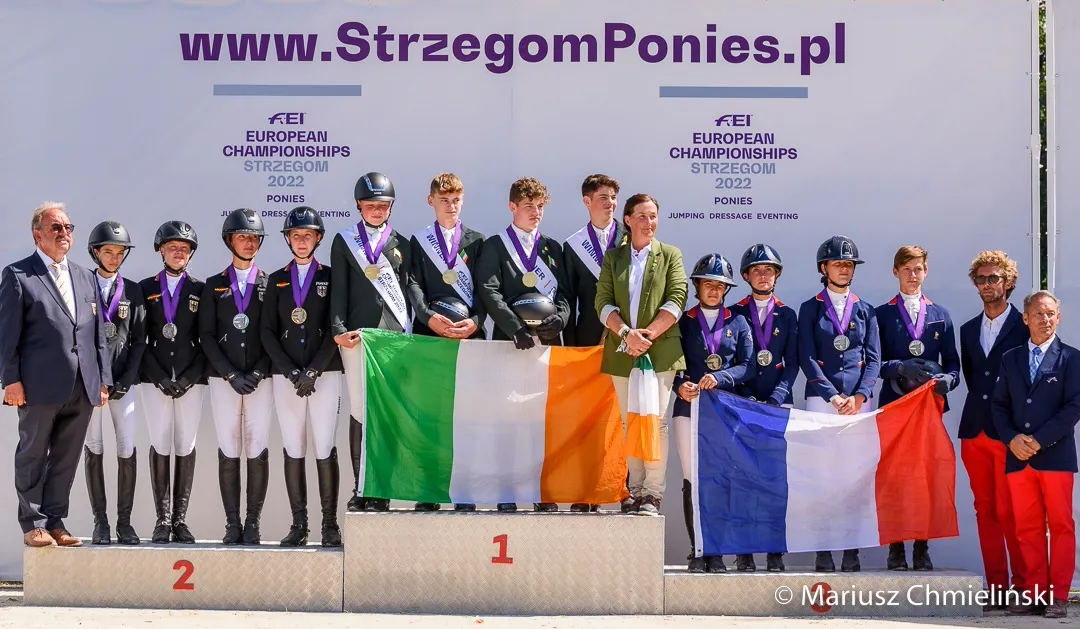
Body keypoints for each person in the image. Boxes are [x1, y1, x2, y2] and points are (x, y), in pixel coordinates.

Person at [0, 202, 110, 548]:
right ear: (38, 234)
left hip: (82, 385)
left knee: (66, 457)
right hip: (37, 386)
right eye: (56, 228)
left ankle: (55, 521)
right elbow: (7, 336)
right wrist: (10, 380)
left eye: (68, 228)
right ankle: (33, 523)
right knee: (32, 454)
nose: (64, 234)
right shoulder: (19, 275)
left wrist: (103, 380)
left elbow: (98, 335)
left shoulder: (85, 276)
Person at [475, 177, 570, 512]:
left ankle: (543, 491)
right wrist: (514, 328)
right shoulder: (495, 246)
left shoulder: (553, 248)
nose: (536, 213)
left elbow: (565, 296)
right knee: (509, 421)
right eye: (529, 206)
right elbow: (489, 290)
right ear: (512, 207)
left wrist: (560, 319)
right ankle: (507, 492)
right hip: (509, 345)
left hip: (546, 347)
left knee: (542, 421)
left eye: (541, 206)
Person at [595, 193, 687, 516]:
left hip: (659, 354)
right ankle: (634, 490)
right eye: (643, 216)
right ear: (628, 220)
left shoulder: (670, 255)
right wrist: (626, 334)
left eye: (654, 216)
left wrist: (647, 336)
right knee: (628, 423)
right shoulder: (613, 258)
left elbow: (677, 298)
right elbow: (602, 303)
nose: (650, 223)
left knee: (656, 422)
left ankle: (652, 493)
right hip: (623, 353)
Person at [991, 291, 1077, 619]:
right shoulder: (1010, 359)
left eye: (1051, 313)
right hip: (1018, 458)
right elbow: (998, 405)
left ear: (1059, 317)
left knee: (1060, 526)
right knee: (1026, 527)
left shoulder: (1072, 359)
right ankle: (1034, 593)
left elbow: (1074, 407)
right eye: (1038, 314)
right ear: (1025, 318)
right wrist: (1012, 439)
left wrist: (1038, 441)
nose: (1045, 319)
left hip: (1055, 458)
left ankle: (1058, 597)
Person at [797, 235, 881, 573]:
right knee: (822, 477)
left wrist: (859, 397)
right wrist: (833, 396)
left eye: (848, 265)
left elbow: (874, 360)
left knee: (855, 478)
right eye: (838, 264)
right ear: (824, 268)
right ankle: (823, 548)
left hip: (859, 407)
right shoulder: (810, 307)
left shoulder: (866, 310)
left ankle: (851, 548)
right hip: (822, 403)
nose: (844, 269)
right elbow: (806, 356)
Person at [331, 172, 413, 513]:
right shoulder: (344, 240)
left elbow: (409, 293)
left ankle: (385, 486)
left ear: (390, 207)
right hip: (358, 339)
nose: (377, 211)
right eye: (370, 205)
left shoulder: (402, 244)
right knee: (360, 412)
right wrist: (338, 328)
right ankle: (361, 486)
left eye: (382, 206)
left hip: (393, 339)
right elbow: (338, 291)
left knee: (388, 415)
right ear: (358, 206)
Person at [261, 207, 343, 547]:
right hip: (287, 377)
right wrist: (292, 372)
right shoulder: (277, 280)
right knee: (294, 447)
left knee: (324, 446)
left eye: (307, 234)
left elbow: (335, 326)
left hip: (324, 373)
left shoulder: (331, 276)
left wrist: (314, 370)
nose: (301, 240)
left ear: (318, 238)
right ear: (288, 239)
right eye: (295, 235)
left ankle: (329, 525)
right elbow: (267, 331)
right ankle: (299, 525)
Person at [875, 246, 960, 571]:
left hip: (927, 409)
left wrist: (948, 381)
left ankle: (922, 547)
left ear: (926, 272)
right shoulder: (881, 314)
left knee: (925, 477)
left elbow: (953, 363)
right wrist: (900, 368)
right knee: (894, 477)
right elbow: (874, 363)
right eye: (907, 269)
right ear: (895, 272)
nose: (913, 275)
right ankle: (896, 547)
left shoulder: (941, 314)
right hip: (895, 407)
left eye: (919, 269)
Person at [407, 173, 486, 512]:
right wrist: (429, 318)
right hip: (430, 338)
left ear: (463, 201)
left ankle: (465, 491)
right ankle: (430, 489)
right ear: (431, 201)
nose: (450, 206)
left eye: (456, 200)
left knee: (466, 416)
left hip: (468, 338)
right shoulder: (418, 240)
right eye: (444, 200)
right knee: (431, 415)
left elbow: (486, 290)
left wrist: (476, 321)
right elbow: (413, 286)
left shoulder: (477, 241)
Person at [673, 253, 753, 573]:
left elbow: (747, 366)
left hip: (723, 409)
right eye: (709, 284)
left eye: (720, 286)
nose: (714, 290)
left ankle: (717, 551)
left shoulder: (738, 321)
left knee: (721, 479)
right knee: (693, 479)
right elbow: (672, 364)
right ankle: (697, 549)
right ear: (697, 285)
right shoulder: (684, 321)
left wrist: (719, 378)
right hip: (688, 408)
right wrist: (680, 384)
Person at [959, 250, 1028, 608]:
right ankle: (997, 588)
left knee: (1012, 512)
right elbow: (975, 378)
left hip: (1010, 434)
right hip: (974, 432)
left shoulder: (1025, 325)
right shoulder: (968, 329)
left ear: (1008, 282)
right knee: (984, 511)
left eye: (994, 278)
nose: (988, 284)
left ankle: (1023, 587)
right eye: (982, 279)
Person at [200, 208, 273, 544]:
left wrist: (258, 371)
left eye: (254, 237)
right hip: (223, 380)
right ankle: (232, 524)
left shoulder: (271, 283)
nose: (248, 242)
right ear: (230, 240)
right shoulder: (214, 285)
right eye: (242, 237)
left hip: (261, 378)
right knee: (229, 447)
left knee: (257, 447)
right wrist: (230, 375)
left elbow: (274, 332)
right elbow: (207, 336)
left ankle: (253, 522)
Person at [729, 243, 798, 573]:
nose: (763, 275)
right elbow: (732, 361)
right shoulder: (734, 312)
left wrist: (776, 398)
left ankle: (774, 550)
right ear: (746, 275)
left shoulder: (788, 314)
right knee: (743, 479)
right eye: (756, 270)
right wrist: (743, 395)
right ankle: (744, 550)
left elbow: (793, 363)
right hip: (741, 405)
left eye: (768, 269)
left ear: (777, 275)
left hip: (776, 405)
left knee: (774, 481)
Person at [563, 174, 627, 513]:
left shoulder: (633, 241)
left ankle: (623, 489)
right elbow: (568, 300)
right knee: (587, 420)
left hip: (627, 344)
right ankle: (585, 490)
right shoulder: (573, 245)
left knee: (625, 418)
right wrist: (572, 347)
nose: (610, 202)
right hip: (587, 344)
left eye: (614, 197)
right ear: (587, 201)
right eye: (603, 197)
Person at [139, 220, 206, 544]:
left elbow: (205, 338)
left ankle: (180, 520)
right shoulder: (145, 288)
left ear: (191, 254)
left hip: (191, 381)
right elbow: (140, 340)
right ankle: (162, 520)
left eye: (184, 248)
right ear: (161, 250)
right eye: (173, 247)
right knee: (160, 443)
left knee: (186, 444)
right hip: (156, 381)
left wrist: (190, 378)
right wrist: (160, 378)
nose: (178, 253)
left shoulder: (200, 289)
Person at [84, 221, 146, 545]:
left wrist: (125, 379)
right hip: (92, 387)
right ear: (96, 252)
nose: (113, 256)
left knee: (127, 448)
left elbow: (139, 342)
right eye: (108, 251)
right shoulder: (82, 285)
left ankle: (125, 523)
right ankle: (100, 522)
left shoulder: (132, 290)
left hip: (123, 384)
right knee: (94, 448)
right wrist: (94, 381)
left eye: (119, 252)